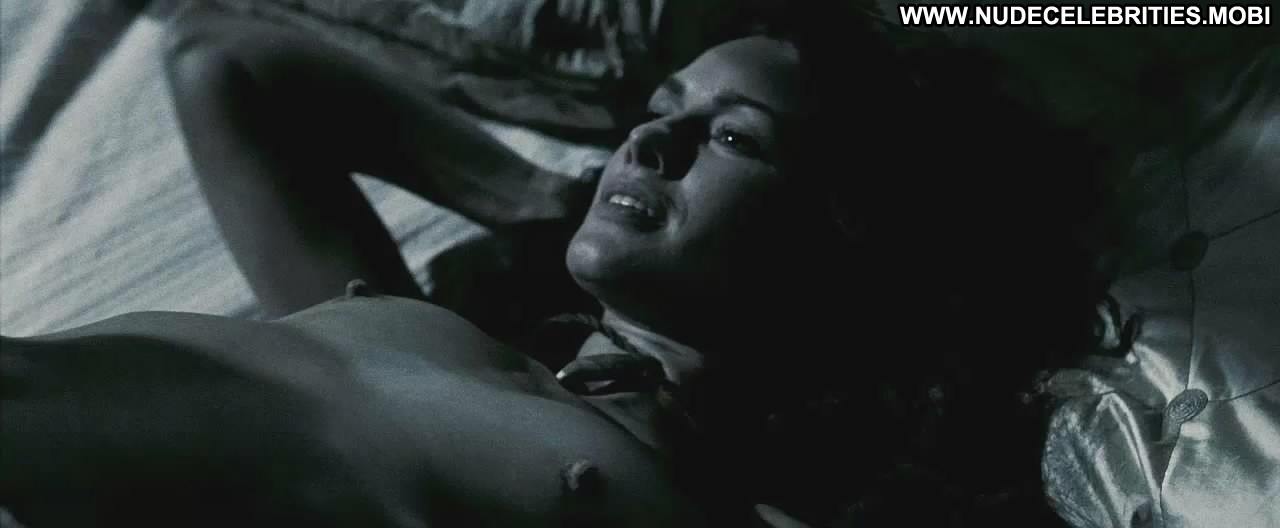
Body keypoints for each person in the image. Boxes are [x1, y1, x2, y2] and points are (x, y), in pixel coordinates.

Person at [0, 2, 1117, 526]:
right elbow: (224, 59)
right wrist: (545, 200)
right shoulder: (420, 328)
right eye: (660, 106)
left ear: (842, 253)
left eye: (733, 138)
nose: (651, 137)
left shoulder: (720, 508)